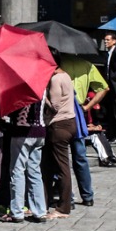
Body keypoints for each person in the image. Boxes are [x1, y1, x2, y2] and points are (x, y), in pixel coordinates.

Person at [59, 54, 108, 205]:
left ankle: (67, 196)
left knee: (61, 158)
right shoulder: (87, 65)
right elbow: (104, 88)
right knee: (80, 156)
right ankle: (87, 196)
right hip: (79, 113)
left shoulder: (59, 65)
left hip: (61, 111)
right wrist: (87, 107)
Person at [1, 99, 47, 223]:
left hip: (22, 131)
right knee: (35, 172)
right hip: (40, 130)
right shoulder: (41, 85)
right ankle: (40, 211)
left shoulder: (21, 89)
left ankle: (17, 211)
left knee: (17, 170)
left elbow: (13, 111)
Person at [42, 56, 77, 219]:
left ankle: (63, 207)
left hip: (59, 124)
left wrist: (43, 96)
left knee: (61, 167)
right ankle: (45, 200)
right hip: (69, 122)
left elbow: (54, 105)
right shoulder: (67, 76)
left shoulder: (56, 79)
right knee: (51, 166)